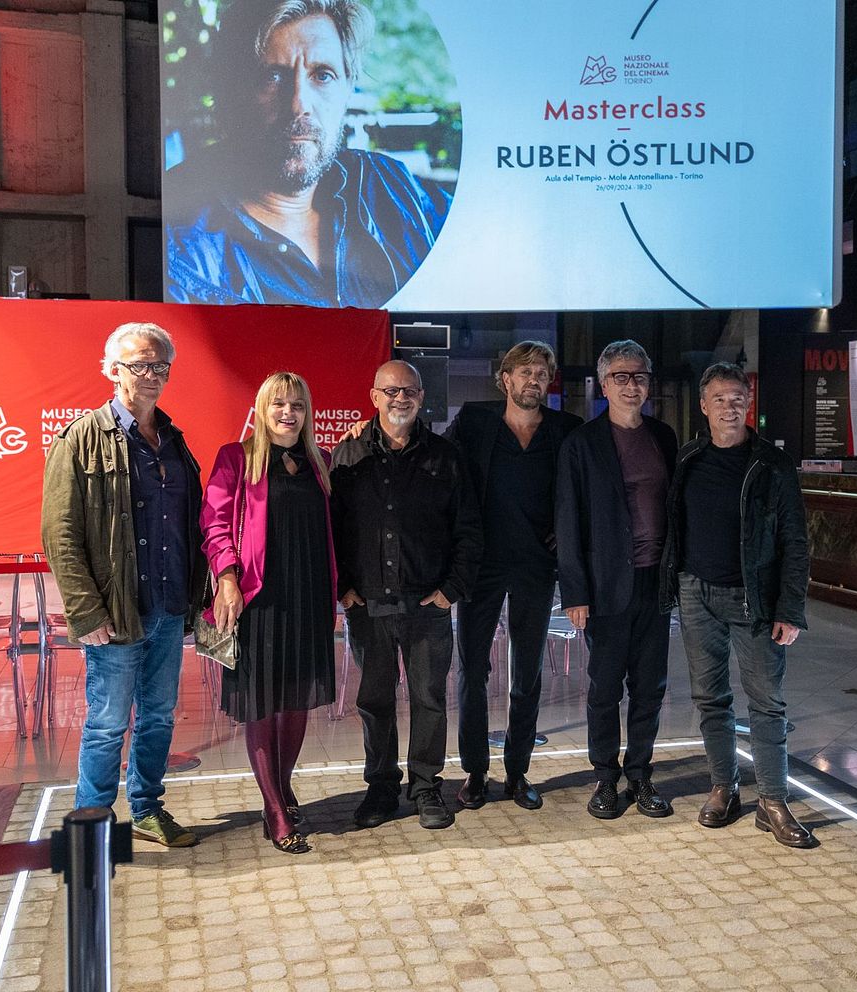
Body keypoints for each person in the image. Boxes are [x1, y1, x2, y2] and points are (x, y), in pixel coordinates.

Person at [165, 0, 451, 309]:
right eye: (272, 76)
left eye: (322, 75)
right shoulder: (178, 240)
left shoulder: (392, 188)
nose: (299, 104)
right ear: (234, 91)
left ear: (347, 88)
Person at [42, 322, 205, 847]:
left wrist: (198, 598)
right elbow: (59, 532)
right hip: (115, 613)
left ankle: (148, 810)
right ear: (113, 370)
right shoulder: (81, 438)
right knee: (108, 722)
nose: (151, 374)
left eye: (160, 365)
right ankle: (92, 825)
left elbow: (191, 525)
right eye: (139, 364)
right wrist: (85, 611)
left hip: (169, 608)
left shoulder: (175, 441)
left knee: (158, 718)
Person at [661, 362, 816, 848]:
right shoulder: (688, 458)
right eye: (719, 399)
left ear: (748, 404)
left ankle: (773, 801)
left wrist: (790, 609)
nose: (729, 407)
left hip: (756, 599)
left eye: (737, 398)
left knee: (766, 702)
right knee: (710, 698)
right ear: (703, 406)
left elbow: (795, 540)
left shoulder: (772, 464)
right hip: (696, 593)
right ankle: (723, 788)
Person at [330, 360, 481, 829]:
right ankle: (381, 788)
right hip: (367, 605)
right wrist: (343, 588)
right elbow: (333, 527)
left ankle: (426, 787)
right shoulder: (348, 453)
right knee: (374, 702)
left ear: (422, 397)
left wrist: (451, 590)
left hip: (427, 604)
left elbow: (469, 528)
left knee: (429, 699)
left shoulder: (447, 456)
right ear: (374, 396)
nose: (401, 398)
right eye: (391, 391)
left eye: (410, 390)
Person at [200, 372, 336, 855]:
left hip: (309, 596)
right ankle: (275, 809)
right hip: (259, 599)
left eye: (297, 405)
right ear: (262, 409)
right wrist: (227, 578)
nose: (287, 413)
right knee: (262, 702)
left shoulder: (319, 462)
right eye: (278, 403)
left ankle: (281, 788)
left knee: (296, 698)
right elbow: (214, 522)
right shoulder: (236, 458)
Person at [445, 341, 582, 811]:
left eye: (542, 373)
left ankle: (517, 771)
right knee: (472, 670)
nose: (534, 380)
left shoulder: (565, 430)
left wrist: (566, 534)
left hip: (535, 566)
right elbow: (435, 461)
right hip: (481, 565)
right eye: (525, 372)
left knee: (527, 672)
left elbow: (584, 488)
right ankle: (475, 771)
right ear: (505, 379)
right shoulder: (474, 421)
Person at [555, 340, 677, 820]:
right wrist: (575, 593)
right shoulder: (582, 444)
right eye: (621, 377)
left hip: (655, 583)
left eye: (639, 376)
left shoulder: (663, 437)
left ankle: (640, 775)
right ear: (604, 385)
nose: (632, 385)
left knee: (650, 688)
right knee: (605, 688)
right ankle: (605, 777)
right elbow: (568, 521)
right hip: (605, 586)